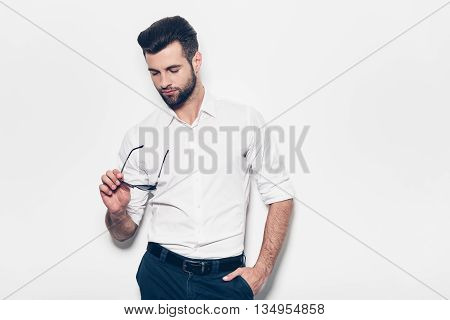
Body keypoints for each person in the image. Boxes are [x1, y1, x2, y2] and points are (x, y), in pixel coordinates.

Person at [99, 15, 294, 300]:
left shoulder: (244, 121)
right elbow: (123, 234)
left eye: (173, 69)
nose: (163, 82)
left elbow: (281, 195)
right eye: (154, 72)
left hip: (225, 281)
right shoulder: (139, 137)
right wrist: (117, 213)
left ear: (197, 61)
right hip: (160, 276)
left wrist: (262, 271)